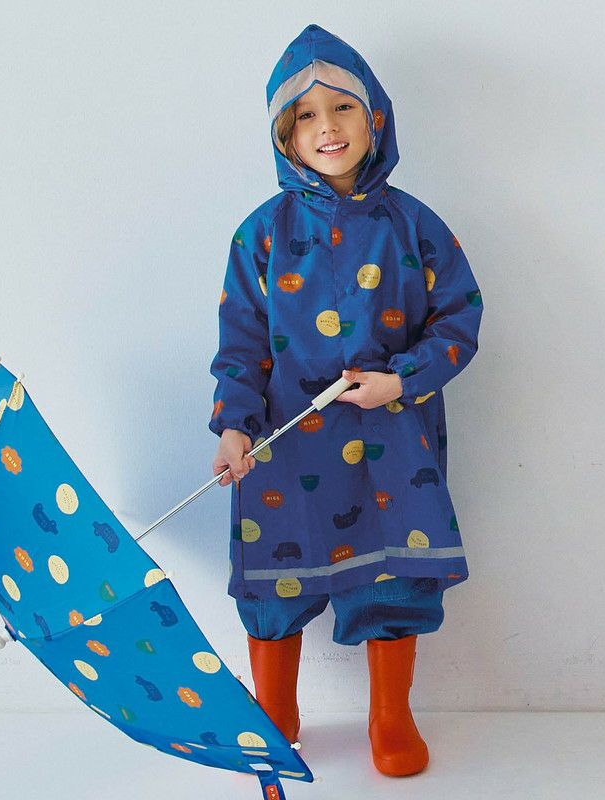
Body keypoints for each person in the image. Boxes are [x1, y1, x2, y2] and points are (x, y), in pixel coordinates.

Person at [208, 24, 484, 777]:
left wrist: (403, 379)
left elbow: (460, 318)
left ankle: (390, 714)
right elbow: (240, 343)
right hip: (282, 444)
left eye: (343, 108)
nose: (326, 127)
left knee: (394, 574)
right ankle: (274, 713)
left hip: (391, 440)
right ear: (284, 135)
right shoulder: (260, 235)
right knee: (275, 577)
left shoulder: (413, 224)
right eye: (305, 115)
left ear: (376, 117)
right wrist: (234, 426)